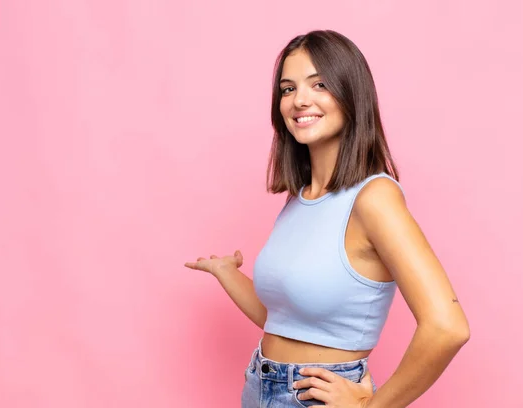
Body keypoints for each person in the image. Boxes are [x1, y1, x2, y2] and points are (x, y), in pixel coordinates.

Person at [185, 30, 470, 408]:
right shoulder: (299, 199)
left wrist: (371, 407)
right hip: (260, 385)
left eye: (319, 84)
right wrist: (225, 272)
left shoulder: (374, 198)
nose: (299, 100)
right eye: (287, 89)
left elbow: (447, 327)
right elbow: (284, 319)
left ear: (352, 94)